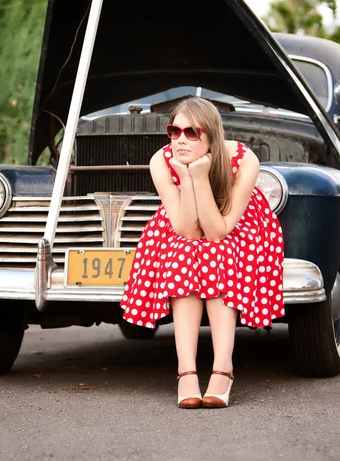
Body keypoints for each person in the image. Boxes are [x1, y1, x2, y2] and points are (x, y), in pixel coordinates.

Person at [120, 96, 285, 409]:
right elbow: (185, 229)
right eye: (174, 131)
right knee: (185, 252)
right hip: (181, 222)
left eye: (191, 133)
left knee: (216, 250)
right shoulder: (161, 160)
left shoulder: (243, 158)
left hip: (239, 227)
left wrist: (199, 177)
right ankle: (187, 372)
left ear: (211, 135)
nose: (180, 140)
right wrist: (186, 176)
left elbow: (219, 230)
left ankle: (223, 368)